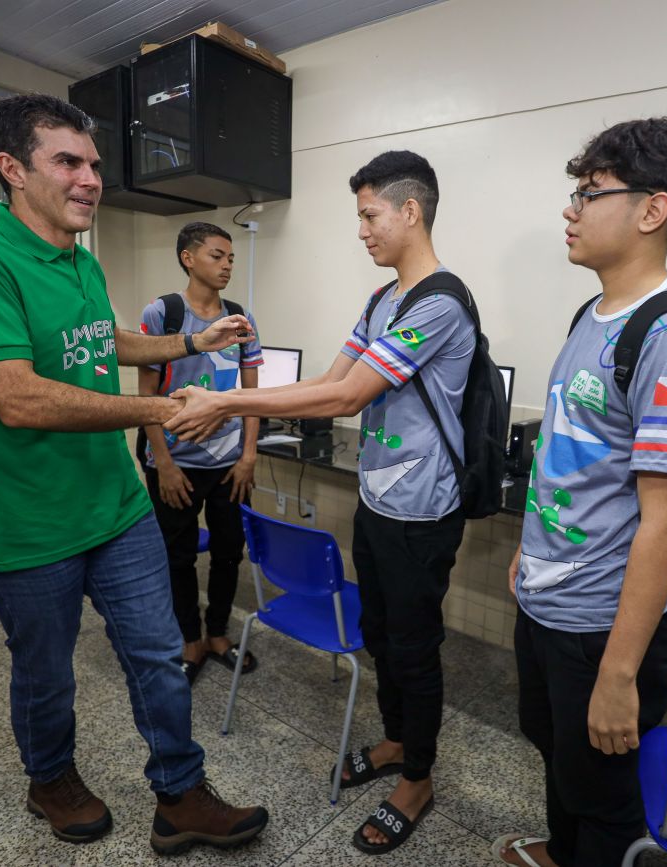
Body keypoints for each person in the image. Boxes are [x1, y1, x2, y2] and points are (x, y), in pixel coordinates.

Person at [0, 94, 267, 856]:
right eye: (68, 162)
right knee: (47, 675)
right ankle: (49, 779)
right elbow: (17, 397)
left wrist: (191, 341)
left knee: (159, 656)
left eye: (95, 164)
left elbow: (102, 341)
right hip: (25, 523)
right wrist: (161, 411)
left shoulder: (81, 259)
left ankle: (180, 792)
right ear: (12, 168)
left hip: (114, 507)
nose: (90, 179)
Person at [166, 150, 475, 855]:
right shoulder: (382, 300)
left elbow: (346, 398)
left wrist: (226, 402)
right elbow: (330, 379)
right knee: (382, 633)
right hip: (379, 499)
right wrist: (234, 399)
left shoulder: (441, 303)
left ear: (410, 211)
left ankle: (418, 778)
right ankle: (395, 739)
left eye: (370, 216)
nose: (361, 231)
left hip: (423, 510)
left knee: (415, 646)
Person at [496, 117, 667, 867]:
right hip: (549, 593)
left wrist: (620, 673)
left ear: (652, 210)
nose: (571, 209)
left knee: (604, 789)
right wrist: (530, 546)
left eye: (590, 194)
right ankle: (563, 852)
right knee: (556, 745)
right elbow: (568, 456)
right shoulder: (590, 317)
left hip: (602, 620)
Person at [139, 221, 262, 685]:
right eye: (217, 255)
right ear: (188, 259)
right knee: (179, 556)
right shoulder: (163, 314)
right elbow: (147, 396)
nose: (227, 265)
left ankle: (217, 633)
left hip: (229, 464)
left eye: (231, 258)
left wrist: (248, 456)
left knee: (230, 552)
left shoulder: (241, 319)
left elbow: (252, 395)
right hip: (176, 463)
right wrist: (164, 464)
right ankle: (190, 638)